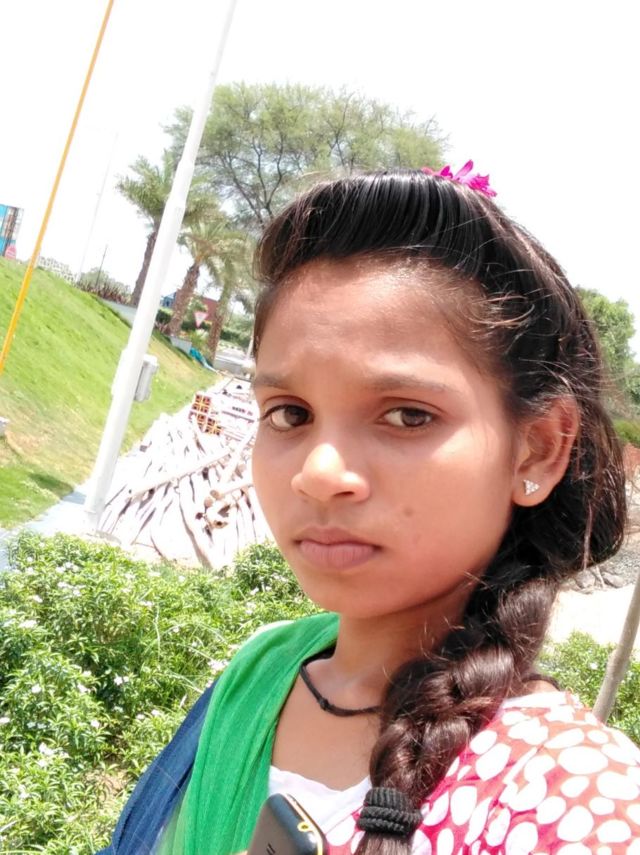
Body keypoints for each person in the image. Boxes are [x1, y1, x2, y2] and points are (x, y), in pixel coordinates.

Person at [99, 165, 640, 855]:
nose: (319, 474)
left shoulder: (574, 799)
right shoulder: (261, 670)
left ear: (536, 450)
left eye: (408, 415)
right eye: (290, 413)